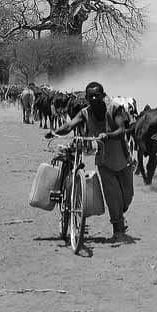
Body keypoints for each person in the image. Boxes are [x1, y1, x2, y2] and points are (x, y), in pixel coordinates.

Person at [45, 82, 134, 239]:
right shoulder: (85, 113)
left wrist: (108, 135)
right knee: (112, 196)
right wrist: (54, 132)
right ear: (86, 98)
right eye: (90, 96)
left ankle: (120, 215)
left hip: (123, 159)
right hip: (104, 161)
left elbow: (121, 130)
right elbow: (70, 125)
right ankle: (118, 230)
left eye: (97, 95)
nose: (93, 98)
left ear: (103, 95)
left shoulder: (114, 108)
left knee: (127, 198)